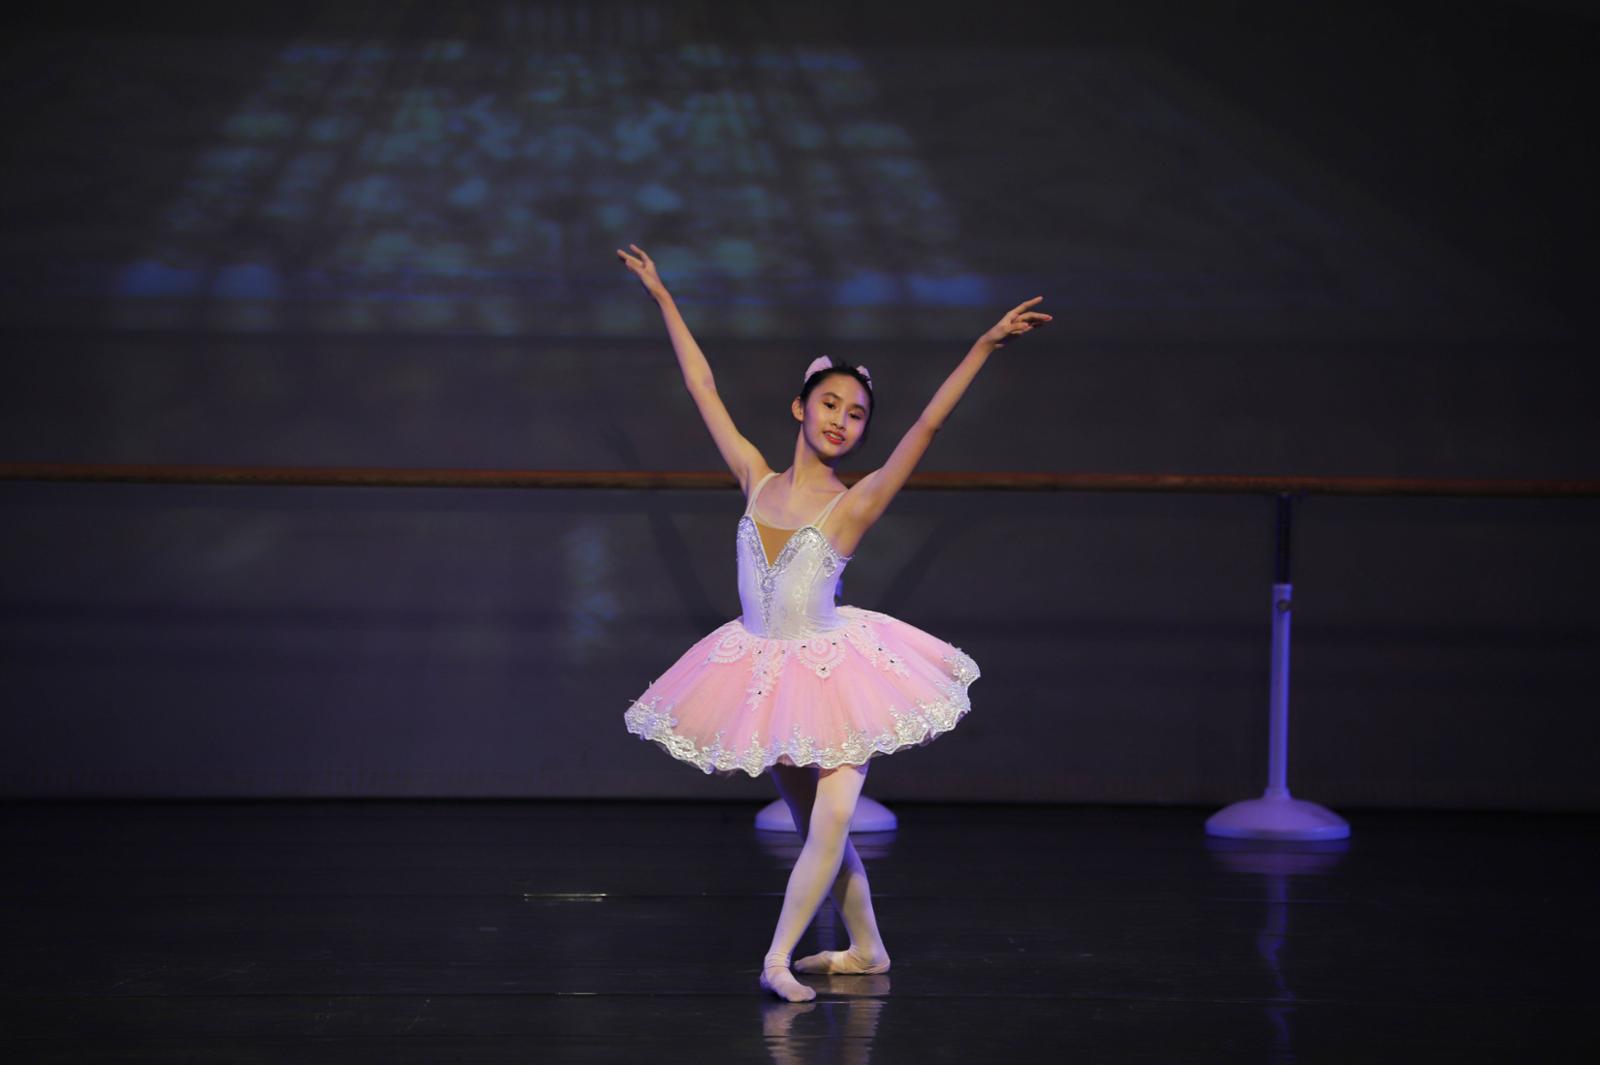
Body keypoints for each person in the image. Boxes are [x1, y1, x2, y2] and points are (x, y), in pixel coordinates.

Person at [615, 243, 1050, 1002]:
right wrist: (662, 297)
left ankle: (776, 958)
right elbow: (701, 386)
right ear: (800, 407)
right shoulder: (754, 477)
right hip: (762, 671)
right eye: (830, 404)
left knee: (830, 821)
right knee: (817, 822)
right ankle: (868, 948)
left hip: (836, 673)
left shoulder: (855, 504)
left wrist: (983, 346)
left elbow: (927, 427)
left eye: (856, 414)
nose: (842, 420)